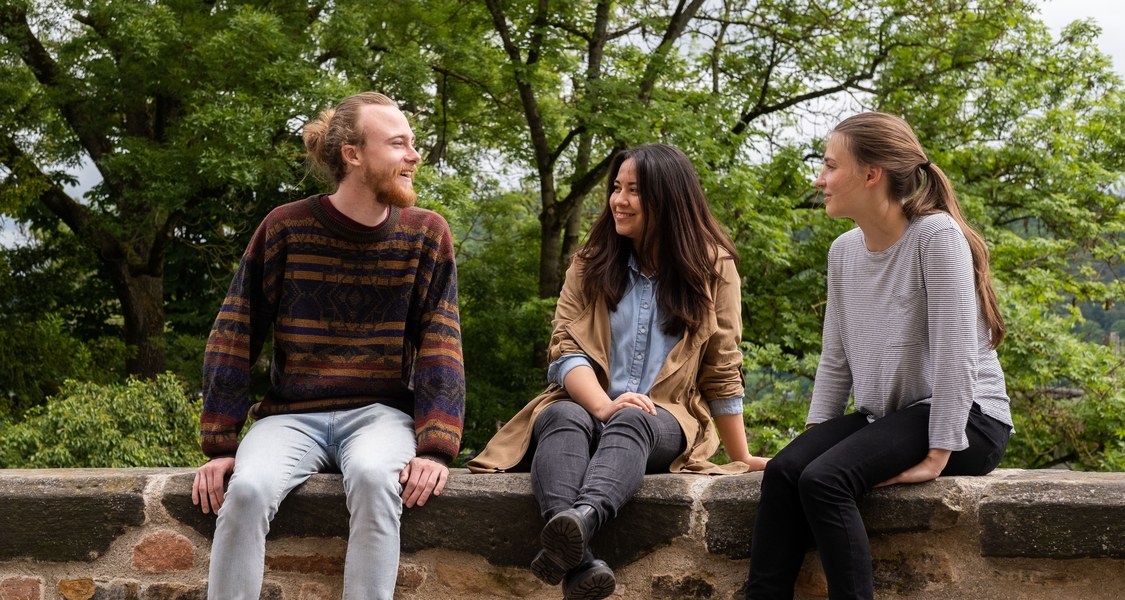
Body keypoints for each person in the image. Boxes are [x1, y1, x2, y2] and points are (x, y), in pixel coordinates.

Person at [191, 91, 465, 600]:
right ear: (353, 154)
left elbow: (440, 342)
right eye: (399, 144)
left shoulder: (427, 234)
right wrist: (220, 444)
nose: (414, 155)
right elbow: (234, 333)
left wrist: (436, 446)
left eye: (413, 143)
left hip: (381, 414)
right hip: (289, 416)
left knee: (372, 477)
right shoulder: (285, 227)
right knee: (246, 490)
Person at [469, 143, 768, 600]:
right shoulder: (590, 263)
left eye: (633, 191)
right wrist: (604, 404)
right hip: (589, 402)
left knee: (635, 416)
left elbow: (722, 367)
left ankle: (583, 518)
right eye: (616, 187)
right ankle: (579, 554)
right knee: (558, 416)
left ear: (667, 200)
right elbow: (565, 351)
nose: (617, 200)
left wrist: (741, 456)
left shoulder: (714, 268)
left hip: (667, 417)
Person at [744, 112, 1013, 599]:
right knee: (787, 472)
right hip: (890, 418)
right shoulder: (843, 251)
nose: (819, 179)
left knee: (825, 481)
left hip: (968, 419)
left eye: (829, 166)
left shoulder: (935, 236)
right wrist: (813, 440)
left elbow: (957, 352)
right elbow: (835, 358)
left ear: (872, 175)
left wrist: (938, 452)